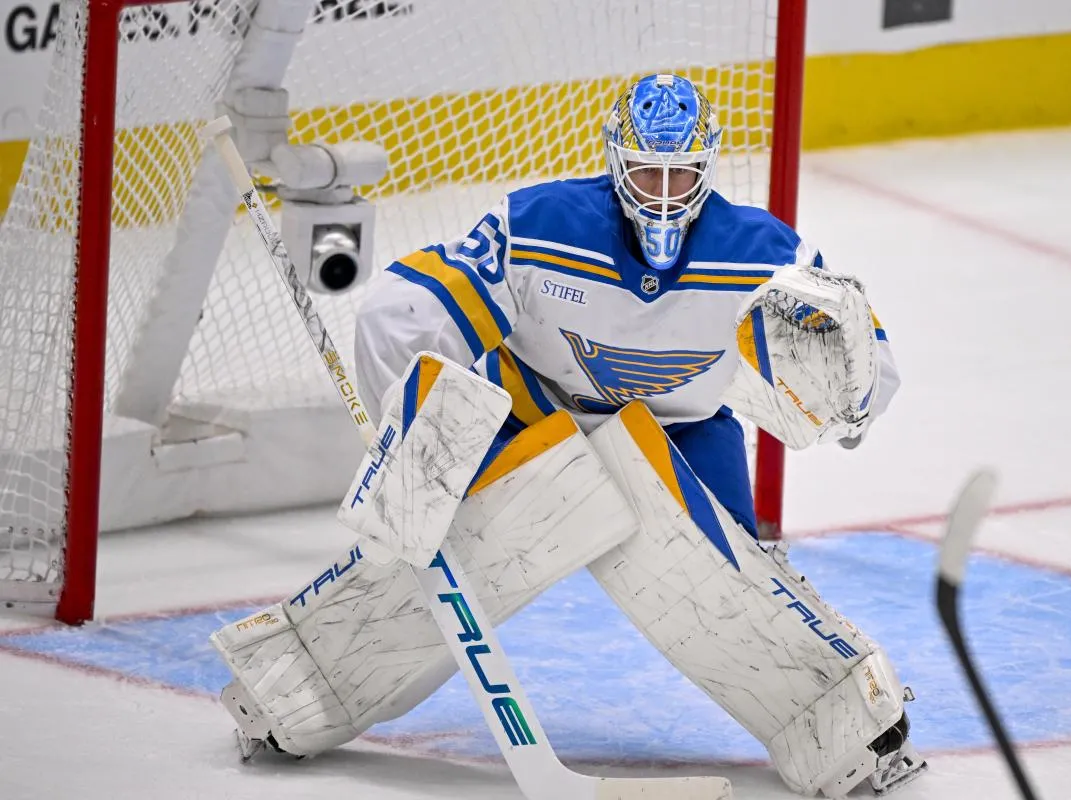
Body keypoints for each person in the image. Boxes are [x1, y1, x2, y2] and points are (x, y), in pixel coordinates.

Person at [211, 74, 923, 797]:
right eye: (649, 170)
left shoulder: (767, 257)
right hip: (535, 411)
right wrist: (414, 438)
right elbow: (411, 310)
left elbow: (865, 364)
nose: (665, 191)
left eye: (682, 174)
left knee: (724, 588)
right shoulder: (540, 224)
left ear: (708, 169)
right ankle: (289, 693)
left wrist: (850, 388)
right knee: (453, 555)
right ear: (616, 162)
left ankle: (847, 734)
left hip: (685, 433)